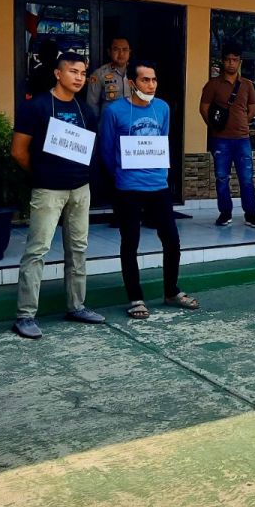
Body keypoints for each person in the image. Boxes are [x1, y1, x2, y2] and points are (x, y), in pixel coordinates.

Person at [10, 52, 105, 339]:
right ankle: (25, 315)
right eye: (73, 71)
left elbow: (90, 149)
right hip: (48, 190)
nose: (79, 78)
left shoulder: (85, 110)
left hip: (80, 189)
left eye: (82, 73)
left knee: (78, 249)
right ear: (57, 73)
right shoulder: (36, 107)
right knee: (37, 250)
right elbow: (18, 151)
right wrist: (41, 173)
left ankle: (77, 305)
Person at [100, 60, 199, 319]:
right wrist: (122, 174)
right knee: (130, 242)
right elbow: (107, 150)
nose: (151, 85)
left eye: (154, 80)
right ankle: (135, 298)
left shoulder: (162, 108)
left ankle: (171, 291)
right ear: (132, 83)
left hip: (159, 186)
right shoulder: (114, 111)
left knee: (171, 240)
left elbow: (162, 139)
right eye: (145, 80)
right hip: (128, 187)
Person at [199, 42, 255, 229]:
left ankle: (251, 214)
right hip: (221, 140)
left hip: (242, 139)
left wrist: (242, 123)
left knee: (247, 178)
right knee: (221, 178)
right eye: (227, 60)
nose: (231, 63)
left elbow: (251, 109)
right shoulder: (213, 85)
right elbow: (204, 109)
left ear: (240, 62)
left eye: (235, 60)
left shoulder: (248, 85)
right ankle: (225, 212)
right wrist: (214, 126)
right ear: (222, 61)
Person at [87, 37, 133, 114]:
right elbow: (92, 104)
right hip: (109, 123)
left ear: (130, 52)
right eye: (116, 49)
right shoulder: (99, 74)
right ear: (109, 52)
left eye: (125, 49)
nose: (121, 53)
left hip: (131, 122)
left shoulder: (137, 72)